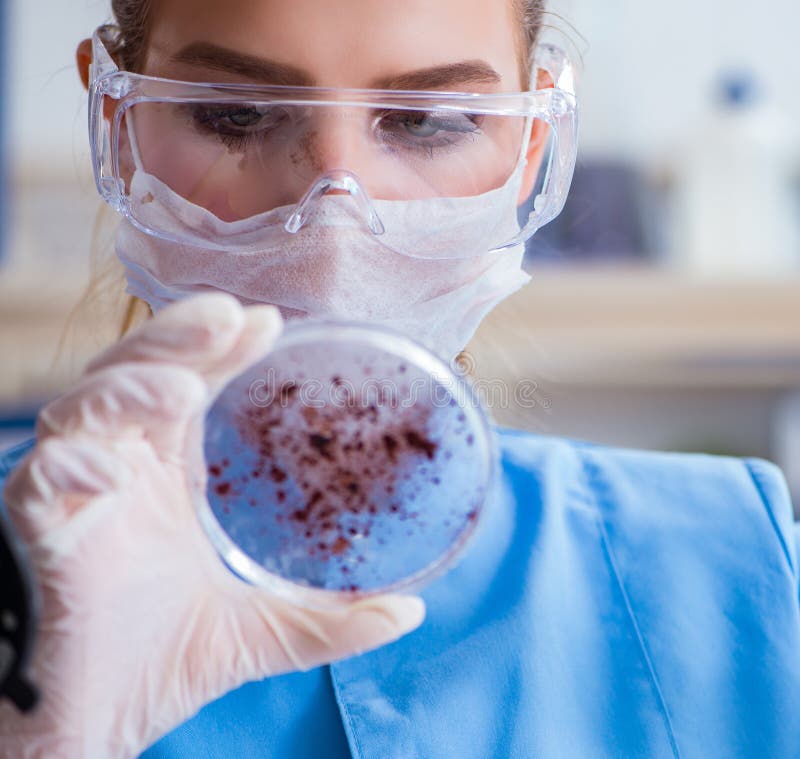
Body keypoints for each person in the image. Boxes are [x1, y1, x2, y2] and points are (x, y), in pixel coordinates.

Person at [1, 1, 798, 757]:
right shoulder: (22, 558)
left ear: (530, 146)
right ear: (119, 122)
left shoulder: (740, 569)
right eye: (234, 115)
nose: (332, 221)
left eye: (428, 122)